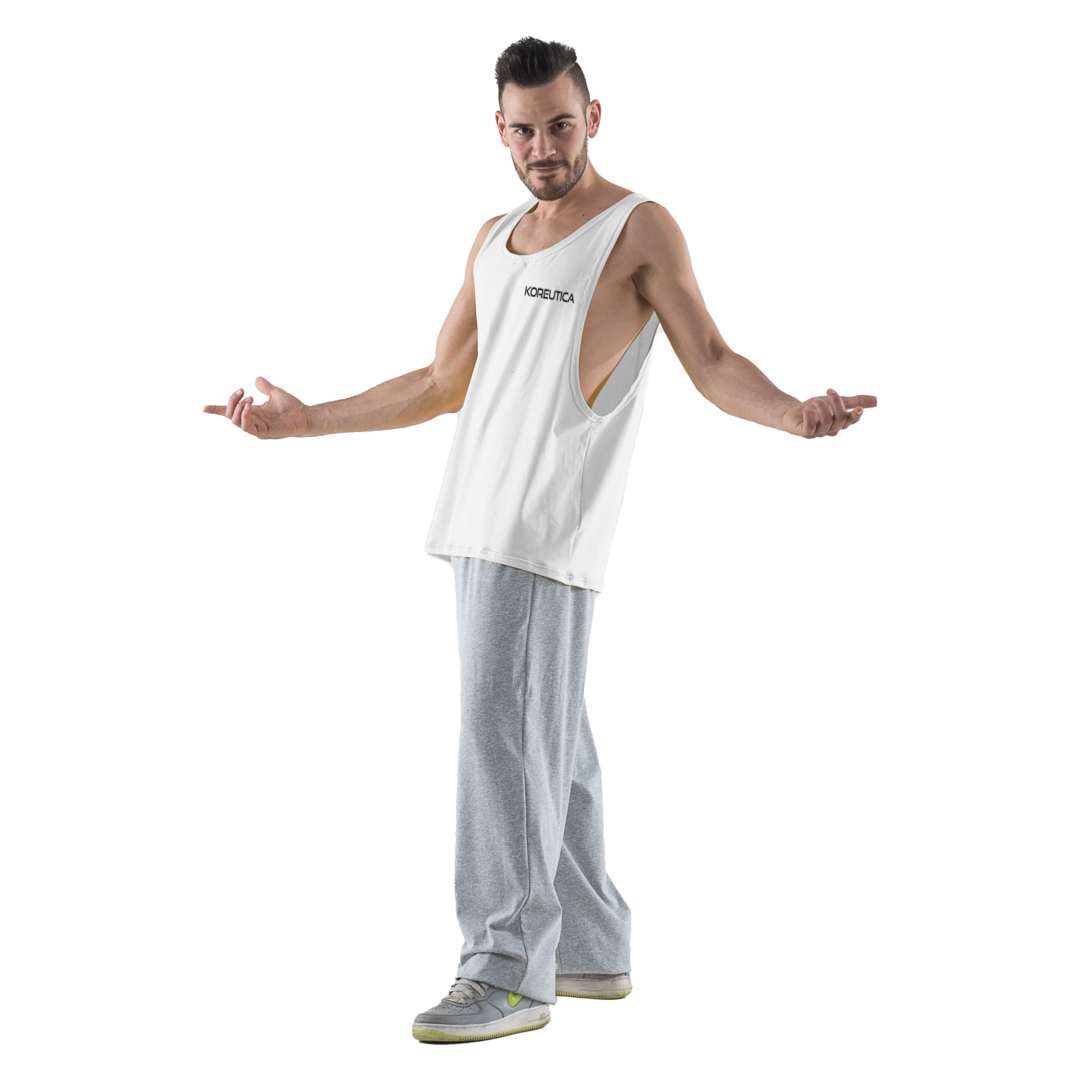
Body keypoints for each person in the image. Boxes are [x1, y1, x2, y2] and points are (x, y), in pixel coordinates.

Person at [204, 36, 877, 1045]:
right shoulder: (493, 237)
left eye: (560, 125)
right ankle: (592, 946)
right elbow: (440, 383)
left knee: (504, 738)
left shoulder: (637, 228)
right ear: (500, 129)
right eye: (523, 130)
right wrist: (306, 422)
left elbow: (711, 357)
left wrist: (791, 413)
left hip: (544, 532)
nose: (543, 147)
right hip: (477, 525)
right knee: (544, 738)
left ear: (592, 118)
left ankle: (508, 970)